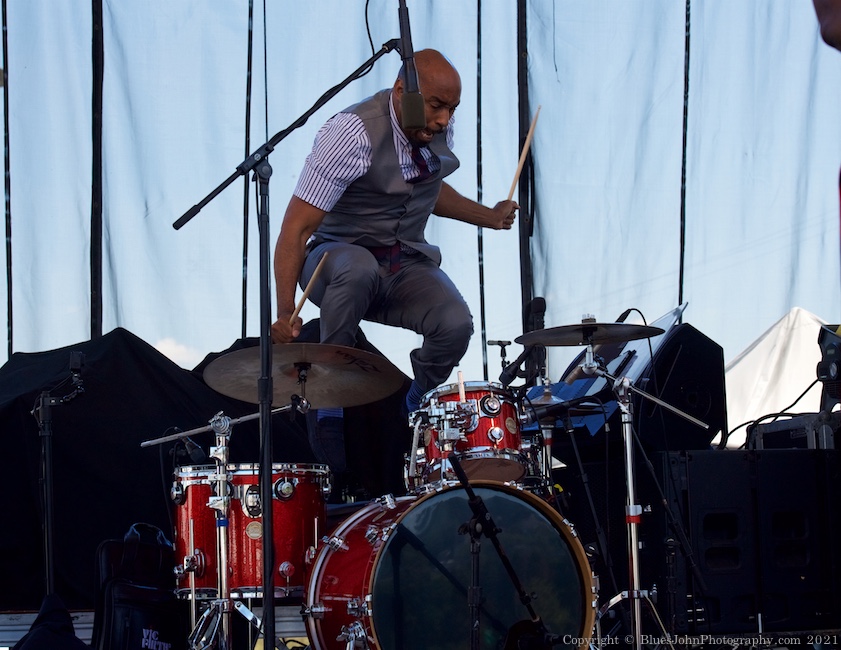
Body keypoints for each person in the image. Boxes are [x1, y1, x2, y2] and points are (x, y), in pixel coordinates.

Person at [271, 49, 518, 472]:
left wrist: (489, 217)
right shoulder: (353, 133)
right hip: (335, 261)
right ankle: (327, 402)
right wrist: (283, 312)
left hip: (403, 262)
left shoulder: (433, 129)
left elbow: (426, 188)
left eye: (452, 109)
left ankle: (413, 405)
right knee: (357, 266)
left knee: (455, 324)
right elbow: (295, 229)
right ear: (403, 91)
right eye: (436, 106)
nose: (443, 120)